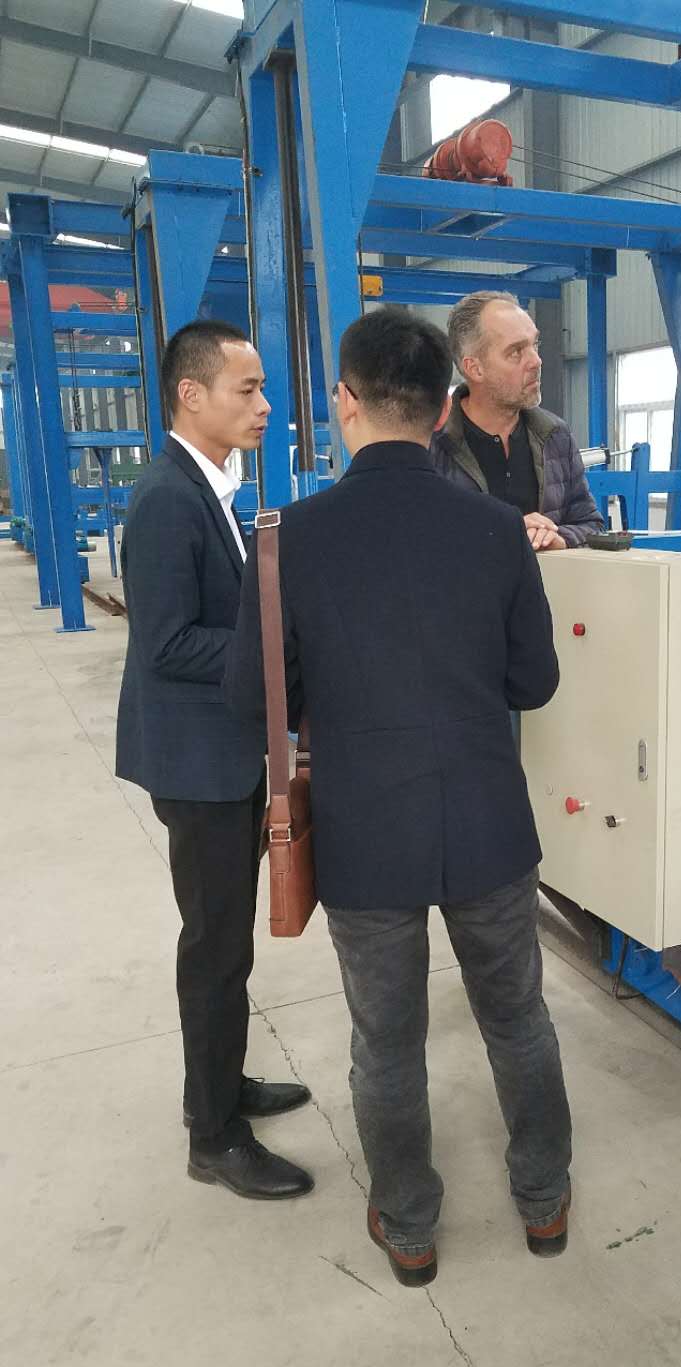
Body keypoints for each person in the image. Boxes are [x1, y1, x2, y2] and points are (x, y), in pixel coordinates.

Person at [225, 307, 572, 1288]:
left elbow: (254, 700)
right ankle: (544, 1203)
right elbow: (534, 682)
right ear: (442, 405)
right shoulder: (498, 532)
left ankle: (410, 1226)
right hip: (489, 825)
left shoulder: (287, 539)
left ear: (346, 400)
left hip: (366, 832)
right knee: (519, 1020)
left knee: (386, 1044)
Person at [115, 320, 313, 1201]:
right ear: (191, 395)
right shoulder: (168, 497)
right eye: (247, 389)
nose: (264, 405)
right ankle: (214, 1135)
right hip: (198, 767)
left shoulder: (211, 488)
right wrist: (274, 651)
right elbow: (164, 643)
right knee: (215, 948)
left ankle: (223, 1085)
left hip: (220, 754)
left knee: (226, 945)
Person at [430, 289, 605, 551]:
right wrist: (504, 532)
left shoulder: (555, 436)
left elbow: (591, 525)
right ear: (474, 368)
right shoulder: (431, 445)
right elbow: (415, 540)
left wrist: (560, 538)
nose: (536, 361)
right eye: (515, 352)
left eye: (535, 345)